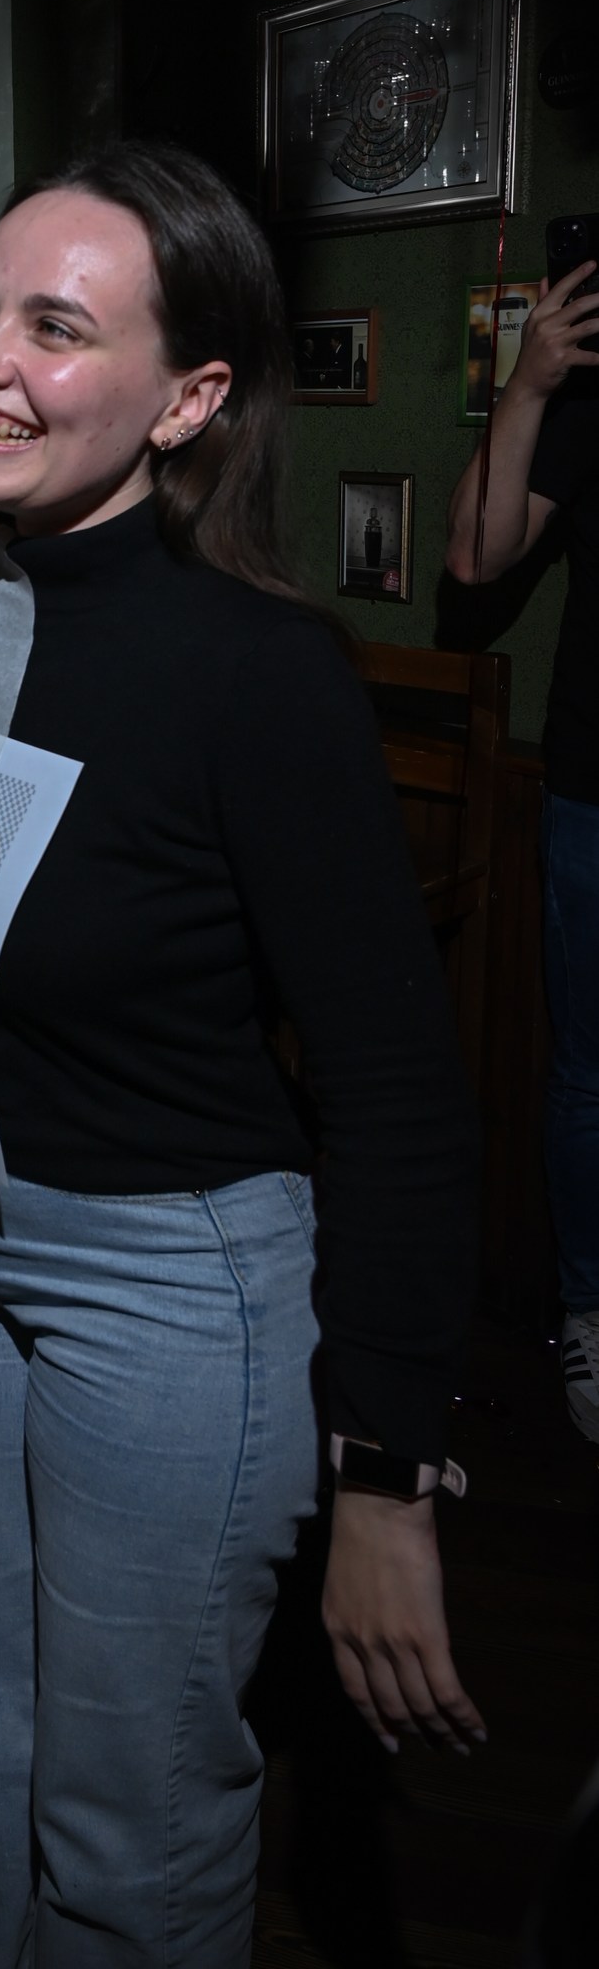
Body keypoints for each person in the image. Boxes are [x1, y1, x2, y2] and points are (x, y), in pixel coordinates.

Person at [0, 142, 484, 1968]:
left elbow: (395, 1089)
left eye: (55, 330)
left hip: (159, 1279)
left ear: (186, 400)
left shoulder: (258, 673)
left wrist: (383, 1471)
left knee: (126, 1809)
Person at [446, 255, 599, 1440]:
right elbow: (471, 559)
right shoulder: (585, 395)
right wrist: (529, 382)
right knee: (587, 1076)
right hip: (594, 793)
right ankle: (590, 1314)